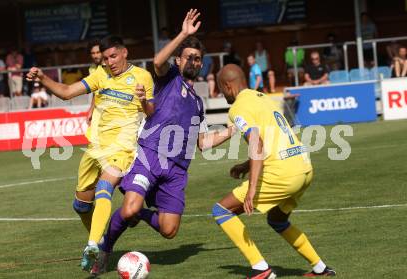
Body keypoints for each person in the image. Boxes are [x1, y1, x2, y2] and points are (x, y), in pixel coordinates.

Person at [91, 9, 234, 276]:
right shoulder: (169, 79)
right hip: (151, 155)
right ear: (178, 60)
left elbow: (202, 142)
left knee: (169, 230)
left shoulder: (198, 103)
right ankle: (105, 248)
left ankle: (137, 213)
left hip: (177, 170)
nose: (194, 62)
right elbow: (158, 61)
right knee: (130, 206)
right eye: (189, 57)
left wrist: (230, 131)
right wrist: (183, 34)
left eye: (198, 59)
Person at [26, 35, 155, 272]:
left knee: (105, 188)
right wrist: (43, 77)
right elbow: (66, 92)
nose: (109, 62)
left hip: (122, 147)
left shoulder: (142, 76)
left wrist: (144, 99)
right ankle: (102, 242)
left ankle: (93, 245)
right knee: (81, 206)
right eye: (105, 58)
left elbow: (151, 112)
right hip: (95, 148)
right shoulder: (100, 75)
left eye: (113, 56)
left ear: (124, 52)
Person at [212, 63, 336, 279]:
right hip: (304, 167)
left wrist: (251, 188)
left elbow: (257, 144)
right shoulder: (263, 97)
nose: (222, 94)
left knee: (221, 210)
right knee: (277, 219)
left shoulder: (238, 107)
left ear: (227, 85)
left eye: (221, 89)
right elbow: (272, 139)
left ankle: (261, 269)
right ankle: (320, 268)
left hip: (282, 173)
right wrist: (246, 165)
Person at [86, 39, 103, 125]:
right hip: (100, 110)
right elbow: (95, 93)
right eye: (93, 53)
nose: (96, 55)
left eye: (98, 52)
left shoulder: (111, 66)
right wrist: (91, 111)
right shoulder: (91, 69)